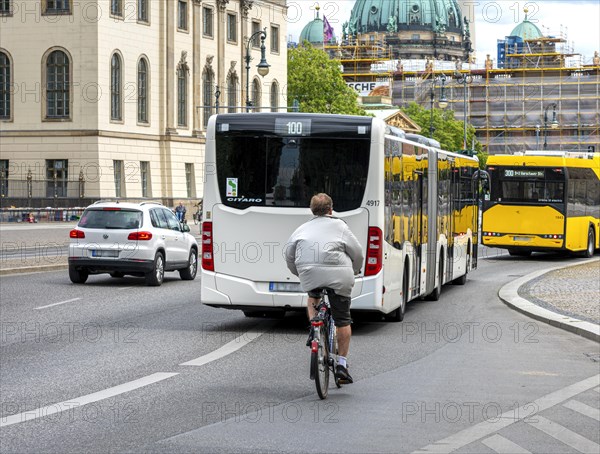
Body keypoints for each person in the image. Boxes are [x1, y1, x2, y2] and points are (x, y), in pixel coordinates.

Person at [285, 193, 364, 384]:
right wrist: (354, 270)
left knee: (313, 297)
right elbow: (357, 252)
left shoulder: (301, 229)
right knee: (343, 320)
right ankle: (342, 366)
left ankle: (314, 329)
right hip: (339, 277)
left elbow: (289, 254)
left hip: (309, 274)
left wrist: (300, 273)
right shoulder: (340, 226)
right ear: (331, 208)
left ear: (312, 210)